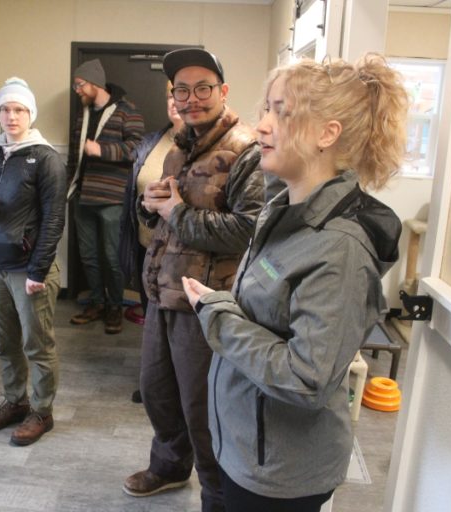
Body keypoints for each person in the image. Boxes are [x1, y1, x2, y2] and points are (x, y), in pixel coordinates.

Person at [181, 54, 408, 512]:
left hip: (278, 477)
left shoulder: (339, 247)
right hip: (242, 447)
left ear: (327, 133)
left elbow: (307, 379)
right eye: (265, 109)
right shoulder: (283, 211)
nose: (262, 125)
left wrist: (218, 316)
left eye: (279, 111)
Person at [122, 48, 265, 512]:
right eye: (181, 90)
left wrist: (177, 211)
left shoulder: (248, 151)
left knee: (202, 410)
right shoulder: (179, 145)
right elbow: (167, 213)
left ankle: (218, 495)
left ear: (223, 91)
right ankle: (168, 466)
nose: (191, 98)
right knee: (158, 393)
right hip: (162, 293)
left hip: (206, 304)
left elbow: (249, 230)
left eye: (203, 88)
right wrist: (152, 202)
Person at [0, 77, 67, 447]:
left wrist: (38, 271)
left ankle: (42, 411)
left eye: (19, 109)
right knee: (4, 342)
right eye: (4, 109)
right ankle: (15, 401)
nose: (11, 116)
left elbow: (54, 219)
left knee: (37, 344)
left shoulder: (45, 158)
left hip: (28, 269)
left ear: (31, 113)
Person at [67, 58, 145, 334]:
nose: (77, 90)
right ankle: (97, 303)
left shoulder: (127, 111)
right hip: (82, 197)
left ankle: (115, 307)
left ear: (94, 83)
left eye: (80, 84)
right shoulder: (83, 114)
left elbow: (136, 149)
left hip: (111, 198)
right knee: (88, 256)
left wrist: (102, 151)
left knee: (111, 256)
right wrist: (69, 188)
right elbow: (75, 155)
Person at [119, 81, 185, 403]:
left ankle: (179, 391)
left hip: (185, 256)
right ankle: (155, 385)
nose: (175, 101)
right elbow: (135, 194)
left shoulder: (211, 148)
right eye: (170, 95)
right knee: (152, 324)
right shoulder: (152, 141)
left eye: (182, 94)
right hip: (148, 250)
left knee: (182, 329)